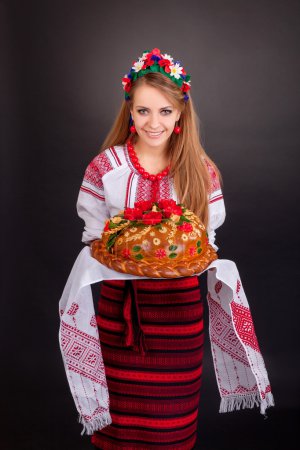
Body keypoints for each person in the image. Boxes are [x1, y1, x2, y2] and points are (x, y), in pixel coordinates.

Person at [59, 48, 274, 450]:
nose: (152, 122)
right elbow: (95, 236)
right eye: (142, 111)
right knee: (120, 426)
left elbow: (205, 242)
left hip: (178, 316)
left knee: (169, 421)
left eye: (163, 111)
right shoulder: (106, 167)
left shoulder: (199, 169)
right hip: (121, 315)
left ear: (179, 115)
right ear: (129, 112)